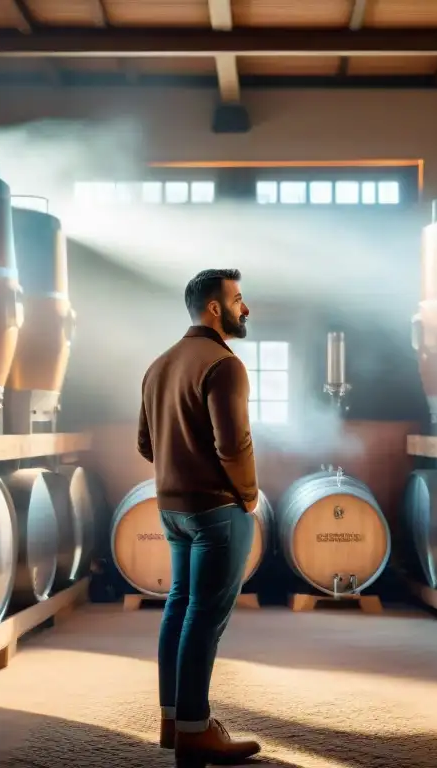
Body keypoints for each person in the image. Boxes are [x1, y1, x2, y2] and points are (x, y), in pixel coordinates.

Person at [137, 268, 262, 767]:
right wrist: (249, 495)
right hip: (217, 510)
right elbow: (234, 444)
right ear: (215, 308)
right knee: (205, 619)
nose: (244, 308)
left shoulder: (159, 364)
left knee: (179, 608)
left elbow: (146, 444)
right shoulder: (223, 364)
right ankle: (195, 730)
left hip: (172, 510)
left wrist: (179, 470)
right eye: (238, 299)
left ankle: (173, 720)